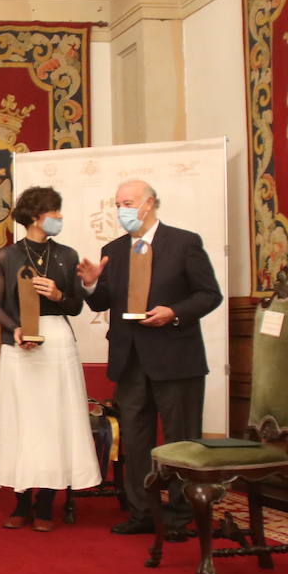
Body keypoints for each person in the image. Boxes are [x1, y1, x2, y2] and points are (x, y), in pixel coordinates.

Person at [76, 178, 222, 539]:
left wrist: (173, 311)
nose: (121, 209)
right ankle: (142, 511)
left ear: (150, 204)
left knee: (180, 439)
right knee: (136, 439)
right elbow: (100, 301)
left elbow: (209, 295)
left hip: (176, 358)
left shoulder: (184, 243)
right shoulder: (114, 249)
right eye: (117, 203)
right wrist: (93, 283)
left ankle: (179, 514)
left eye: (127, 202)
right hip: (131, 360)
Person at [0, 186, 101, 531]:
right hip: (18, 343)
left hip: (57, 342)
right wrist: (16, 329)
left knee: (54, 420)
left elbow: (76, 306)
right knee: (22, 419)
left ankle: (48, 502)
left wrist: (59, 292)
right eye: (56, 213)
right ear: (37, 217)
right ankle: (21, 501)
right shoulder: (6, 256)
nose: (60, 219)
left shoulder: (67, 254)